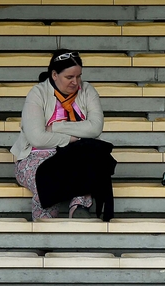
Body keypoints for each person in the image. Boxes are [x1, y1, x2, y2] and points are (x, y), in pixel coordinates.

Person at [11, 49, 111, 220]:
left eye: (78, 76)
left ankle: (79, 209)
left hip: (73, 155)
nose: (76, 82)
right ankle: (45, 228)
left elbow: (95, 128)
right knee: (46, 176)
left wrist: (56, 127)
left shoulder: (87, 91)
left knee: (85, 166)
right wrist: (72, 138)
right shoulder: (37, 93)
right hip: (34, 156)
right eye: (69, 77)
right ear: (54, 75)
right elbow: (37, 138)